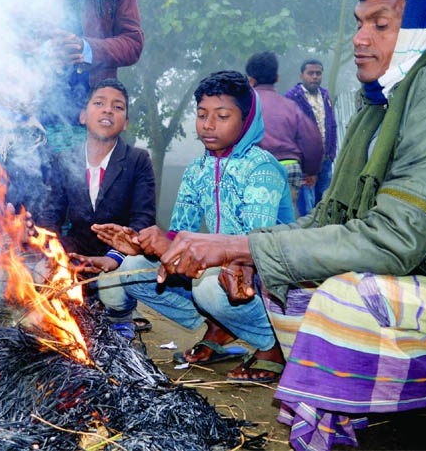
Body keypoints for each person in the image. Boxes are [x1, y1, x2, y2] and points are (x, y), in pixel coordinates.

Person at [155, 0, 426, 450]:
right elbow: (328, 219)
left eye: (380, 24)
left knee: (338, 299)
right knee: (283, 288)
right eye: (359, 23)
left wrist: (237, 245)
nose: (359, 39)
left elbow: (395, 240)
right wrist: (246, 252)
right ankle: (357, 417)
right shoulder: (381, 104)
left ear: (420, 31)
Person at [93, 70, 294, 379]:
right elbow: (177, 232)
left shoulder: (261, 168)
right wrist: (143, 244)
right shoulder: (197, 168)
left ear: (247, 119)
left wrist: (172, 248)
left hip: (263, 276)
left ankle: (273, 344)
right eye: (202, 115)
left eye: (222, 115)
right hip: (218, 272)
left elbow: (253, 246)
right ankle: (219, 329)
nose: (208, 125)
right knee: (129, 269)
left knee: (210, 288)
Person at [35, 78, 156, 340]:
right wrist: (53, 251)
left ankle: (120, 316)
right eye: (99, 103)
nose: (107, 110)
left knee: (115, 284)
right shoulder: (65, 159)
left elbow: (143, 219)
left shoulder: (138, 160)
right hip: (77, 249)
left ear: (125, 123)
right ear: (83, 116)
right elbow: (51, 215)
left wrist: (114, 257)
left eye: (118, 107)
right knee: (35, 269)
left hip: (119, 253)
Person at [36, 0, 144, 153]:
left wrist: (86, 49)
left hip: (92, 112)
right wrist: (46, 51)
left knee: (89, 182)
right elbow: (12, 36)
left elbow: (133, 43)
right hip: (38, 108)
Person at [246, 51, 322, 216]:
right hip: (290, 169)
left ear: (250, 80)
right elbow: (312, 140)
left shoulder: (244, 106)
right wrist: (311, 171)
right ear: (277, 78)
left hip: (257, 168)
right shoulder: (290, 106)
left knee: (257, 220)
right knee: (282, 222)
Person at [284, 59, 337, 216]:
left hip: (325, 159)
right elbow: (289, 131)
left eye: (318, 73)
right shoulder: (292, 97)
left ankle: (321, 234)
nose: (315, 77)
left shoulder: (325, 95)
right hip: (305, 163)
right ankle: (308, 234)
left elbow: (332, 125)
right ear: (302, 76)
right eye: (310, 73)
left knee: (323, 200)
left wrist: (332, 153)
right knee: (307, 205)